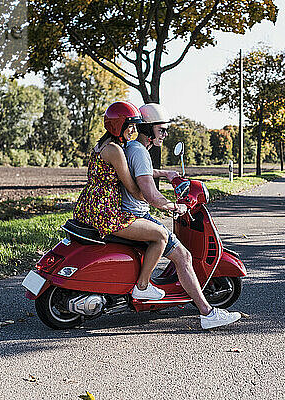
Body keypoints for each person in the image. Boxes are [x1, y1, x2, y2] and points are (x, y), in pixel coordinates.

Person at [120, 103, 241, 329]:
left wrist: (164, 172)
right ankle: (207, 313)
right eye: (162, 130)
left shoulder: (135, 149)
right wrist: (176, 207)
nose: (165, 135)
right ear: (148, 129)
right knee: (184, 256)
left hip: (129, 212)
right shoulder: (139, 151)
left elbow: (142, 171)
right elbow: (151, 196)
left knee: (177, 253)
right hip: (136, 214)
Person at [72, 101, 169, 301]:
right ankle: (142, 286)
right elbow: (132, 187)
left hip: (89, 206)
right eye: (131, 125)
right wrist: (153, 199)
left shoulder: (100, 146)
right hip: (107, 213)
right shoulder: (115, 150)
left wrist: (161, 173)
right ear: (119, 126)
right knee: (160, 235)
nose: (134, 131)